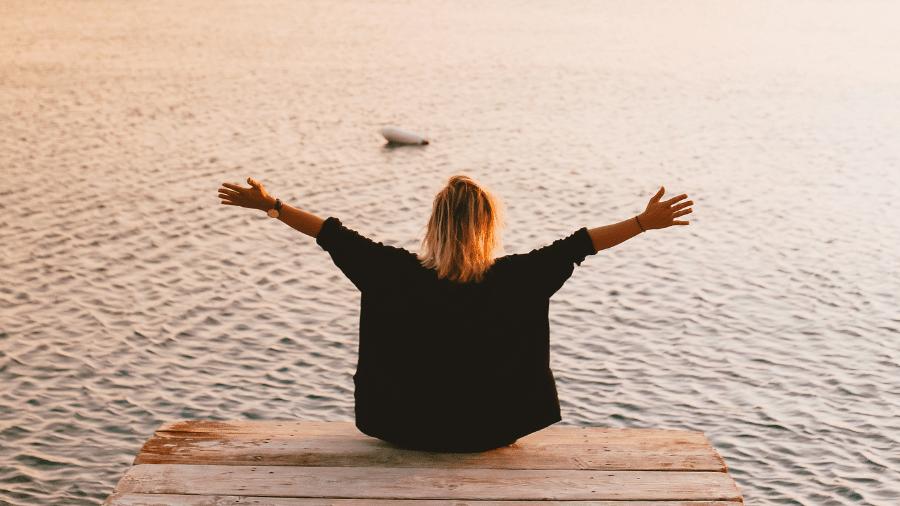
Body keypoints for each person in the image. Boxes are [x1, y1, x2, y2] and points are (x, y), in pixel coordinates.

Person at [217, 174, 693, 452]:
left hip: (399, 428)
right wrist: (642, 224)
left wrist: (272, 206)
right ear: (490, 225)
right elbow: (582, 243)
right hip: (493, 432)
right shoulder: (520, 276)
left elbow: (330, 233)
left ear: (434, 223)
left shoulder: (390, 271)